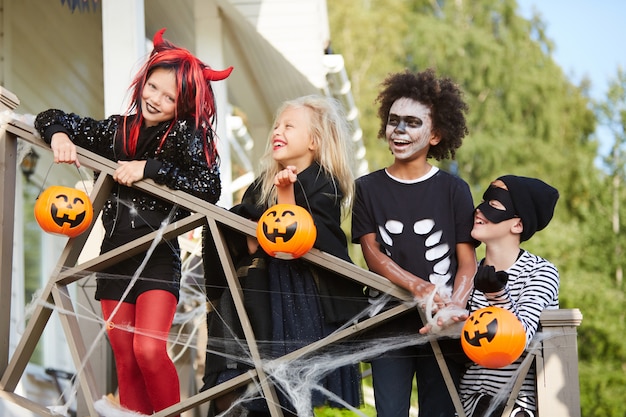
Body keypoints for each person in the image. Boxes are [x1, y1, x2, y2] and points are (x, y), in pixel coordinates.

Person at [34, 28, 232, 416]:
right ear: (143, 81)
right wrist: (58, 135)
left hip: (158, 255)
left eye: (169, 97)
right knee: (124, 356)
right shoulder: (118, 130)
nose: (156, 100)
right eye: (153, 87)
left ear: (184, 105)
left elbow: (209, 186)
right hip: (115, 255)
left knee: (148, 348)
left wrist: (150, 168)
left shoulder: (184, 138)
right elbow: (52, 116)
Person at [201, 95, 367, 416]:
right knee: (239, 385)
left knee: (288, 388)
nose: (278, 131)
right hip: (252, 293)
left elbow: (296, 237)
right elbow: (249, 243)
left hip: (296, 298)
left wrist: (284, 199)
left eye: (289, 126)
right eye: (277, 125)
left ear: (314, 142)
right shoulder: (259, 187)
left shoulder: (325, 185)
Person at [351, 68, 477, 417]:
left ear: (435, 134)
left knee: (441, 410)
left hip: (444, 322)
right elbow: (372, 253)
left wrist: (455, 307)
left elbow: (467, 262)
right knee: (389, 411)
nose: (400, 130)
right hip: (387, 320)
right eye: (394, 121)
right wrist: (417, 285)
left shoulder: (455, 190)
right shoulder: (367, 188)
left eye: (412, 122)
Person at [459, 175, 559, 417]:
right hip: (467, 403)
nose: (479, 210)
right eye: (483, 202)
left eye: (493, 206)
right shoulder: (466, 273)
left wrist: (496, 295)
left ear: (517, 225)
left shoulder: (541, 272)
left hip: (515, 405)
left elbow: (521, 337)